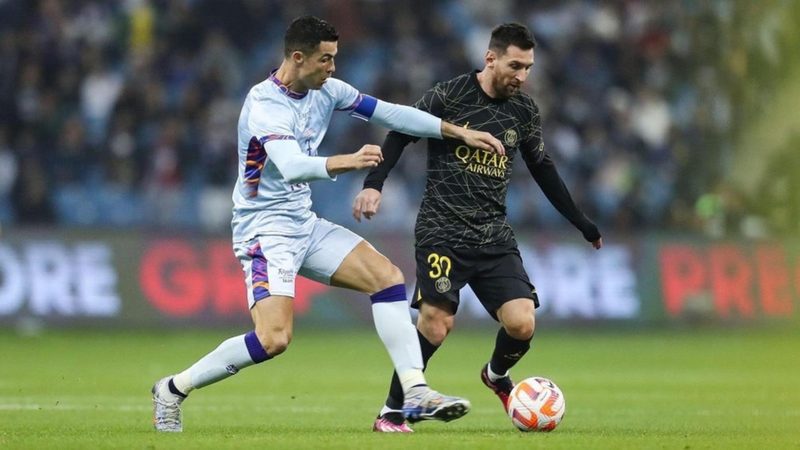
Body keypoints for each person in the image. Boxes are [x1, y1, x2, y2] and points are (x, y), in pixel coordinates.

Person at [151, 15, 506, 432]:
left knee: (387, 278)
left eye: (334, 58)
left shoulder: (329, 90)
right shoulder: (264, 104)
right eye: (325, 59)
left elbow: (391, 114)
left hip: (303, 222)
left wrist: (457, 132)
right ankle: (173, 388)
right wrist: (347, 161)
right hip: (265, 231)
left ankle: (414, 390)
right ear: (298, 58)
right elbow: (292, 166)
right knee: (273, 339)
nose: (333, 67)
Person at [352, 23, 602, 433]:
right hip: (441, 230)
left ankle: (495, 375)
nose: (522, 76)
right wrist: (373, 185)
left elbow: (543, 168)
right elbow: (400, 133)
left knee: (522, 324)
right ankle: (392, 412)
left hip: (492, 234)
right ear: (491, 58)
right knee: (436, 323)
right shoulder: (449, 95)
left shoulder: (524, 111)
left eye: (528, 67)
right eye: (515, 65)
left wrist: (581, 222)